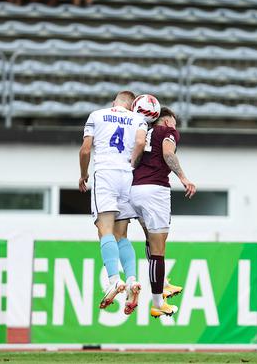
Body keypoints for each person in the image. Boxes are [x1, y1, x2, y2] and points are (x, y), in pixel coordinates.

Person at [117, 106, 196, 318]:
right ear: (168, 121)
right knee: (159, 248)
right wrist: (183, 178)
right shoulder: (167, 131)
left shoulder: (143, 132)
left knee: (150, 240)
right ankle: (158, 301)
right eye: (174, 123)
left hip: (134, 189)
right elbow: (168, 153)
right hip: (155, 191)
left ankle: (164, 282)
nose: (175, 128)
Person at [78, 91, 147, 314]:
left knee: (104, 229)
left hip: (106, 173)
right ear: (132, 106)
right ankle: (133, 279)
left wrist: (83, 174)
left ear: (113, 103)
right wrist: (132, 164)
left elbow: (85, 149)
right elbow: (139, 142)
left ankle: (115, 280)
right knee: (122, 235)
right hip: (127, 175)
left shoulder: (97, 115)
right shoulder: (139, 119)